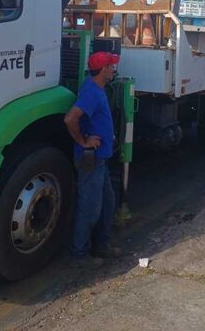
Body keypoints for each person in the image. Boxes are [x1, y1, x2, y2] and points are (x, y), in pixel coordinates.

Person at [64, 51, 122, 266]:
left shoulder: (96, 88)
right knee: (89, 208)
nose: (113, 69)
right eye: (111, 66)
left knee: (107, 203)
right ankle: (79, 255)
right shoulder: (91, 92)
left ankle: (102, 246)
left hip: (101, 159)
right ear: (104, 69)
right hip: (92, 159)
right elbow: (70, 119)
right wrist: (83, 141)